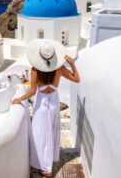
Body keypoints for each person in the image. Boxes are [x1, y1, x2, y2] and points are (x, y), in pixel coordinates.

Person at [12, 39, 80, 177]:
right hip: (54, 104)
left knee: (41, 135)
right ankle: (49, 164)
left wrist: (19, 99)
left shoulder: (35, 70)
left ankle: (45, 167)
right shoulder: (60, 68)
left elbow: (31, 92)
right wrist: (72, 63)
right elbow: (76, 79)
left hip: (41, 104)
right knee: (52, 133)